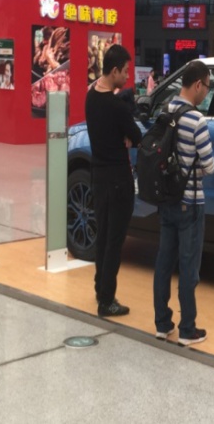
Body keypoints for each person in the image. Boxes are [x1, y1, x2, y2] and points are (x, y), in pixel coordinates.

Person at [153, 60, 214, 345]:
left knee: (163, 262)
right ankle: (188, 329)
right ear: (198, 84)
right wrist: (195, 167)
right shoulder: (197, 120)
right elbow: (210, 166)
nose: (206, 93)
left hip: (166, 199)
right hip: (190, 202)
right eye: (207, 87)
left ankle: (162, 324)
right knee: (189, 267)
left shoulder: (165, 111)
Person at [85, 44, 142, 317]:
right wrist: (127, 136)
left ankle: (101, 288)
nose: (128, 76)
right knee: (115, 241)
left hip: (98, 177)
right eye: (126, 71)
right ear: (115, 70)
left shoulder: (91, 97)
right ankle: (107, 300)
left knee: (103, 236)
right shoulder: (117, 107)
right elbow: (137, 136)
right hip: (118, 179)